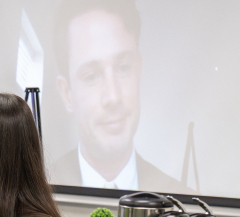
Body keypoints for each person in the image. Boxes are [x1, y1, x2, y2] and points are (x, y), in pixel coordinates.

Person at [51, 0, 192, 193]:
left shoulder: (182, 202)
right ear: (67, 94)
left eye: (123, 68)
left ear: (139, 71)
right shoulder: (32, 196)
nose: (113, 96)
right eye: (91, 76)